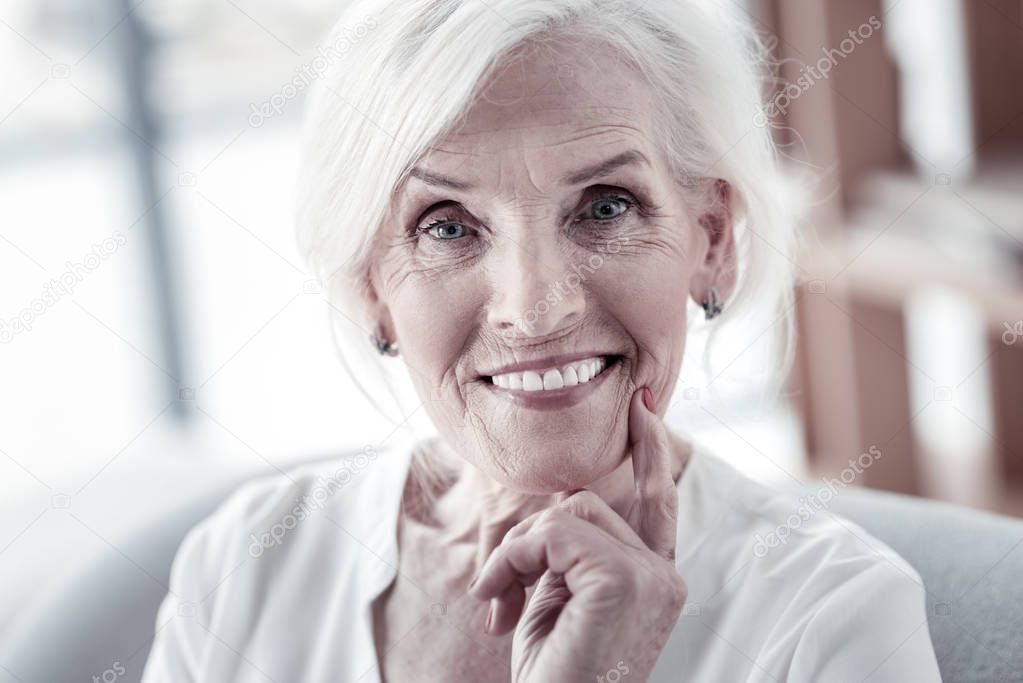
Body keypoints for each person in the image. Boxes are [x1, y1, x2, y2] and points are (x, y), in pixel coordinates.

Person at [142, 0, 942, 680]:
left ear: (712, 239)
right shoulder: (248, 561)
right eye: (447, 225)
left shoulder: (834, 619)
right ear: (370, 290)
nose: (536, 309)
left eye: (604, 206)